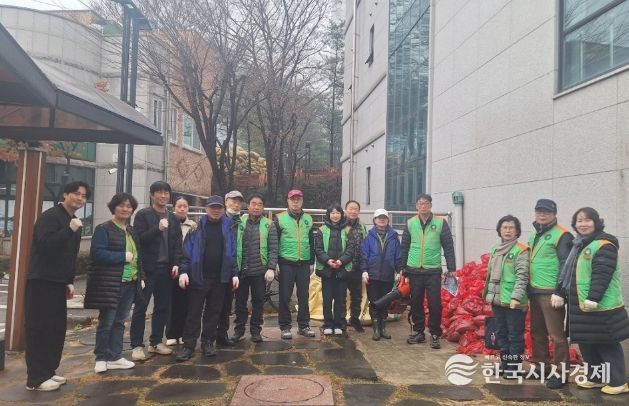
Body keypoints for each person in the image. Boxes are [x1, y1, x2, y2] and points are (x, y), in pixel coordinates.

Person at [553, 207, 629, 395]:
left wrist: (593, 297)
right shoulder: (578, 245)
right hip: (581, 307)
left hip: (601, 307)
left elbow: (602, 274)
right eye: (579, 221)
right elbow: (570, 274)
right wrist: (560, 292)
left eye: (587, 220)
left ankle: (618, 382)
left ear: (596, 222)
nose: (583, 224)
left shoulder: (604, 245)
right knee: (587, 344)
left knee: (607, 343)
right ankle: (596, 378)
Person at [25, 181, 90, 391]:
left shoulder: (74, 221)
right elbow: (46, 245)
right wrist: (69, 230)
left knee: (55, 329)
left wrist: (70, 280)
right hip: (42, 280)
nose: (80, 198)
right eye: (76, 194)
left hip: (59, 282)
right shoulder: (50, 217)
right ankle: (35, 378)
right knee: (39, 328)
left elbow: (70, 256)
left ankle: (48, 371)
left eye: (84, 196)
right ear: (65, 194)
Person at [85, 193, 144, 374]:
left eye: (129, 206)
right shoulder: (103, 229)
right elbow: (97, 253)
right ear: (114, 207)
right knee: (107, 322)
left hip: (130, 282)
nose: (125, 209)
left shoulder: (131, 230)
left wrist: (141, 277)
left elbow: (138, 257)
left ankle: (115, 356)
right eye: (121, 205)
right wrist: (122, 257)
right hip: (111, 283)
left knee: (120, 322)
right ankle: (101, 357)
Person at [176, 196, 239, 361]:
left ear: (223, 209)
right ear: (206, 209)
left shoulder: (228, 227)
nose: (216, 210)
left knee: (213, 312)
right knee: (193, 313)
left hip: (220, 278)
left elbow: (232, 252)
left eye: (219, 207)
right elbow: (186, 251)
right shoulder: (196, 227)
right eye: (212, 207)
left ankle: (208, 342)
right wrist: (184, 271)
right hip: (199, 277)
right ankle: (188, 345)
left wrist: (234, 273)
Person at [130, 181, 183, 361]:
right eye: (159, 192)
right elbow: (139, 240)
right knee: (141, 307)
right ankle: (137, 345)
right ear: (152, 195)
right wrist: (157, 229)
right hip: (147, 270)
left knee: (162, 307)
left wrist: (176, 263)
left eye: (166, 193)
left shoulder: (173, 218)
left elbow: (177, 243)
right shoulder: (143, 215)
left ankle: (156, 341)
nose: (163, 196)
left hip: (166, 270)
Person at [527, 198, 573, 389]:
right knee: (537, 332)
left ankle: (561, 373)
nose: (542, 214)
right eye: (539, 211)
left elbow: (566, 264)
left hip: (551, 293)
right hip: (534, 290)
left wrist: (560, 291)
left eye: (546, 211)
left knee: (556, 335)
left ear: (554, 214)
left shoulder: (562, 235)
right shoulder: (535, 233)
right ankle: (541, 367)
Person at [401, 194, 455, 349]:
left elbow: (448, 246)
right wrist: (403, 268)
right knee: (415, 303)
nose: (423, 206)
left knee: (435, 304)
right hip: (414, 270)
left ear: (430, 205)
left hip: (433, 271)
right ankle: (419, 332)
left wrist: (451, 268)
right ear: (416, 206)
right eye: (420, 203)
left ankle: (435, 334)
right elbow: (404, 247)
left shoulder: (440, 222)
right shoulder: (410, 223)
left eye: (426, 203)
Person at [482, 215, 529, 378]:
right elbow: (490, 276)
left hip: (513, 301)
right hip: (498, 300)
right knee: (501, 332)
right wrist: (488, 295)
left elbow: (522, 276)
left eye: (511, 228)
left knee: (514, 335)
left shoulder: (521, 250)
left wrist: (516, 297)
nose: (508, 231)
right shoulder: (496, 249)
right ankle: (505, 363)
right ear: (499, 230)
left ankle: (514, 367)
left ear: (517, 231)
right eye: (504, 227)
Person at [231, 193, 278, 343]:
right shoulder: (239, 222)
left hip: (260, 271)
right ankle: (239, 330)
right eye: (253, 204)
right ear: (248, 205)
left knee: (258, 302)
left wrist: (271, 267)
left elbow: (273, 248)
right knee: (240, 302)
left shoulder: (269, 224)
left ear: (263, 207)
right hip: (242, 270)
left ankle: (256, 330)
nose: (256, 207)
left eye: (259, 204)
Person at [275, 189, 316, 339]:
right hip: (286, 262)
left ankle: (304, 325)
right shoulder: (279, 218)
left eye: (298, 199)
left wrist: (311, 262)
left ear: (302, 201)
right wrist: (275, 263)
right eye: (293, 199)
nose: (295, 202)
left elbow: (311, 241)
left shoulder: (308, 219)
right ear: (288, 201)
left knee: (304, 296)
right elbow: (275, 241)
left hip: (304, 263)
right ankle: (285, 327)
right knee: (285, 296)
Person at [313, 204, 357, 336]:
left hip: (342, 270)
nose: (335, 215)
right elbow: (318, 249)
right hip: (327, 270)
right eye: (332, 213)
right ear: (328, 215)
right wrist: (328, 261)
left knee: (340, 299)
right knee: (327, 299)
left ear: (341, 215)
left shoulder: (348, 230)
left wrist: (340, 261)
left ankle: (338, 324)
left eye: (338, 213)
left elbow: (351, 249)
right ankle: (327, 324)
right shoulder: (322, 230)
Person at [361, 209, 401, 341]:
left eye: (384, 218)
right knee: (374, 302)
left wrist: (399, 270)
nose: (382, 220)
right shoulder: (368, 237)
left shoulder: (394, 237)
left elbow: (398, 256)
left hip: (388, 276)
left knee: (385, 303)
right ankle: (376, 329)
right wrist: (364, 270)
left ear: (388, 220)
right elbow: (364, 255)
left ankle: (383, 328)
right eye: (379, 218)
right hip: (372, 275)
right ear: (374, 220)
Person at [166, 196, 197, 346]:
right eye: (179, 206)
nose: (182, 209)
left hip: (188, 267)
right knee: (172, 301)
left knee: (187, 302)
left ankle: (185, 333)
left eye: (185, 206)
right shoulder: (168, 223)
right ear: (174, 208)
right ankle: (172, 334)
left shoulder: (194, 226)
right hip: (172, 266)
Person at [216, 190, 244, 347]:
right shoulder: (220, 220)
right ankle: (210, 336)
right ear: (226, 202)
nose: (236, 204)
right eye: (233, 201)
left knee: (227, 305)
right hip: (220, 269)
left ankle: (222, 335)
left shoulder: (240, 221)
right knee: (216, 305)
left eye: (239, 201)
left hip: (235, 268)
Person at [344, 200, 367, 332]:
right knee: (341, 295)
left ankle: (354, 319)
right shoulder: (341, 224)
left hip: (357, 266)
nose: (353, 211)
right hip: (343, 266)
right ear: (346, 210)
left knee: (357, 296)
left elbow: (365, 244)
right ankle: (341, 319)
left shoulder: (362, 226)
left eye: (356, 209)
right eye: (351, 209)